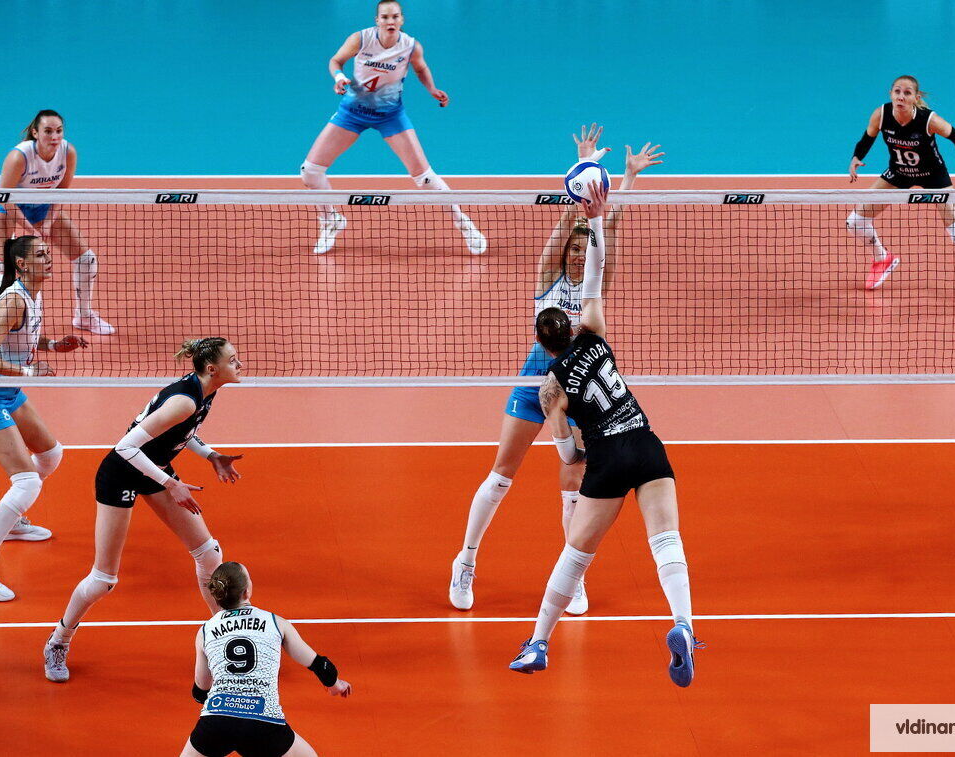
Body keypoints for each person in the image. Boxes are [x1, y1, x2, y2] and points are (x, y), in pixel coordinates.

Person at [450, 124, 663, 615]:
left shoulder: (595, 288)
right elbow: (569, 220)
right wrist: (583, 170)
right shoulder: (548, 277)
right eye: (574, 246)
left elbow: (609, 230)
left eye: (585, 247)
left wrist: (626, 181)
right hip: (536, 383)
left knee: (573, 486)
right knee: (501, 476)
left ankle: (573, 578)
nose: (578, 252)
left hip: (581, 391)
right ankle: (466, 560)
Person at [508, 181, 701, 687]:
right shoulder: (594, 333)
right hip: (644, 440)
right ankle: (684, 624)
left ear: (541, 341)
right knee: (667, 540)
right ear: (570, 328)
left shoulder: (551, 389)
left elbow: (568, 455)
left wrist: (572, 444)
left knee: (575, 556)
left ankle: (538, 642)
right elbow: (594, 274)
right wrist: (596, 217)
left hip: (607, 457)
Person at [43, 338, 245, 682]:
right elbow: (126, 447)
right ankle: (58, 640)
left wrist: (211, 455)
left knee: (209, 554)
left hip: (154, 469)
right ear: (213, 369)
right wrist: (170, 484)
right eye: (233, 360)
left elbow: (183, 433)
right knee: (103, 580)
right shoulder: (184, 401)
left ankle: (223, 640)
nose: (239, 365)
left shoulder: (204, 391)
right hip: (121, 473)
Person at [299, 0, 486, 256]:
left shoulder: (410, 46)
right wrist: (339, 77)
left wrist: (432, 89)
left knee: (426, 179)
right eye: (385, 17)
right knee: (310, 172)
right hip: (352, 114)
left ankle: (464, 224)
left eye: (395, 17)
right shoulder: (360, 39)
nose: (390, 21)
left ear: (401, 20)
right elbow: (336, 60)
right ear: (377, 20)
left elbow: (421, 68)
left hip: (390, 116)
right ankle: (331, 220)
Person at [0, 236, 88, 602]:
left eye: (48, 253)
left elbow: (23, 336)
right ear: (22, 264)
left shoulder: (32, 295)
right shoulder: (13, 300)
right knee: (27, 482)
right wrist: (30, 372)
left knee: (50, 454)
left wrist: (52, 345)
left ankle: (13, 522)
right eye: (41, 255)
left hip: (8, 391)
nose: (49, 258)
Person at [0, 109, 113, 366]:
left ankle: (84, 315)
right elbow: (5, 198)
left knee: (87, 259)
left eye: (59, 131)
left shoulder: (68, 153)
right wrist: (31, 229)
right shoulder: (19, 157)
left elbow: (61, 192)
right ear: (36, 133)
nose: (54, 136)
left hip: (42, 206)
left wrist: (47, 223)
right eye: (48, 131)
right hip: (6, 204)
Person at [847, 75, 955, 304]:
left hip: (934, 177)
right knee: (855, 222)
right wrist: (856, 157)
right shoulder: (881, 114)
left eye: (907, 93)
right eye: (897, 91)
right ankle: (882, 258)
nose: (901, 96)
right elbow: (867, 138)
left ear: (916, 97)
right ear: (891, 93)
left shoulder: (928, 120)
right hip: (899, 173)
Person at [181, 562, 352, 757]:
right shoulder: (276, 623)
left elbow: (200, 689)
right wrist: (335, 685)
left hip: (217, 721)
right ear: (246, 592)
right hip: (263, 722)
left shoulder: (205, 631)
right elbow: (319, 664)